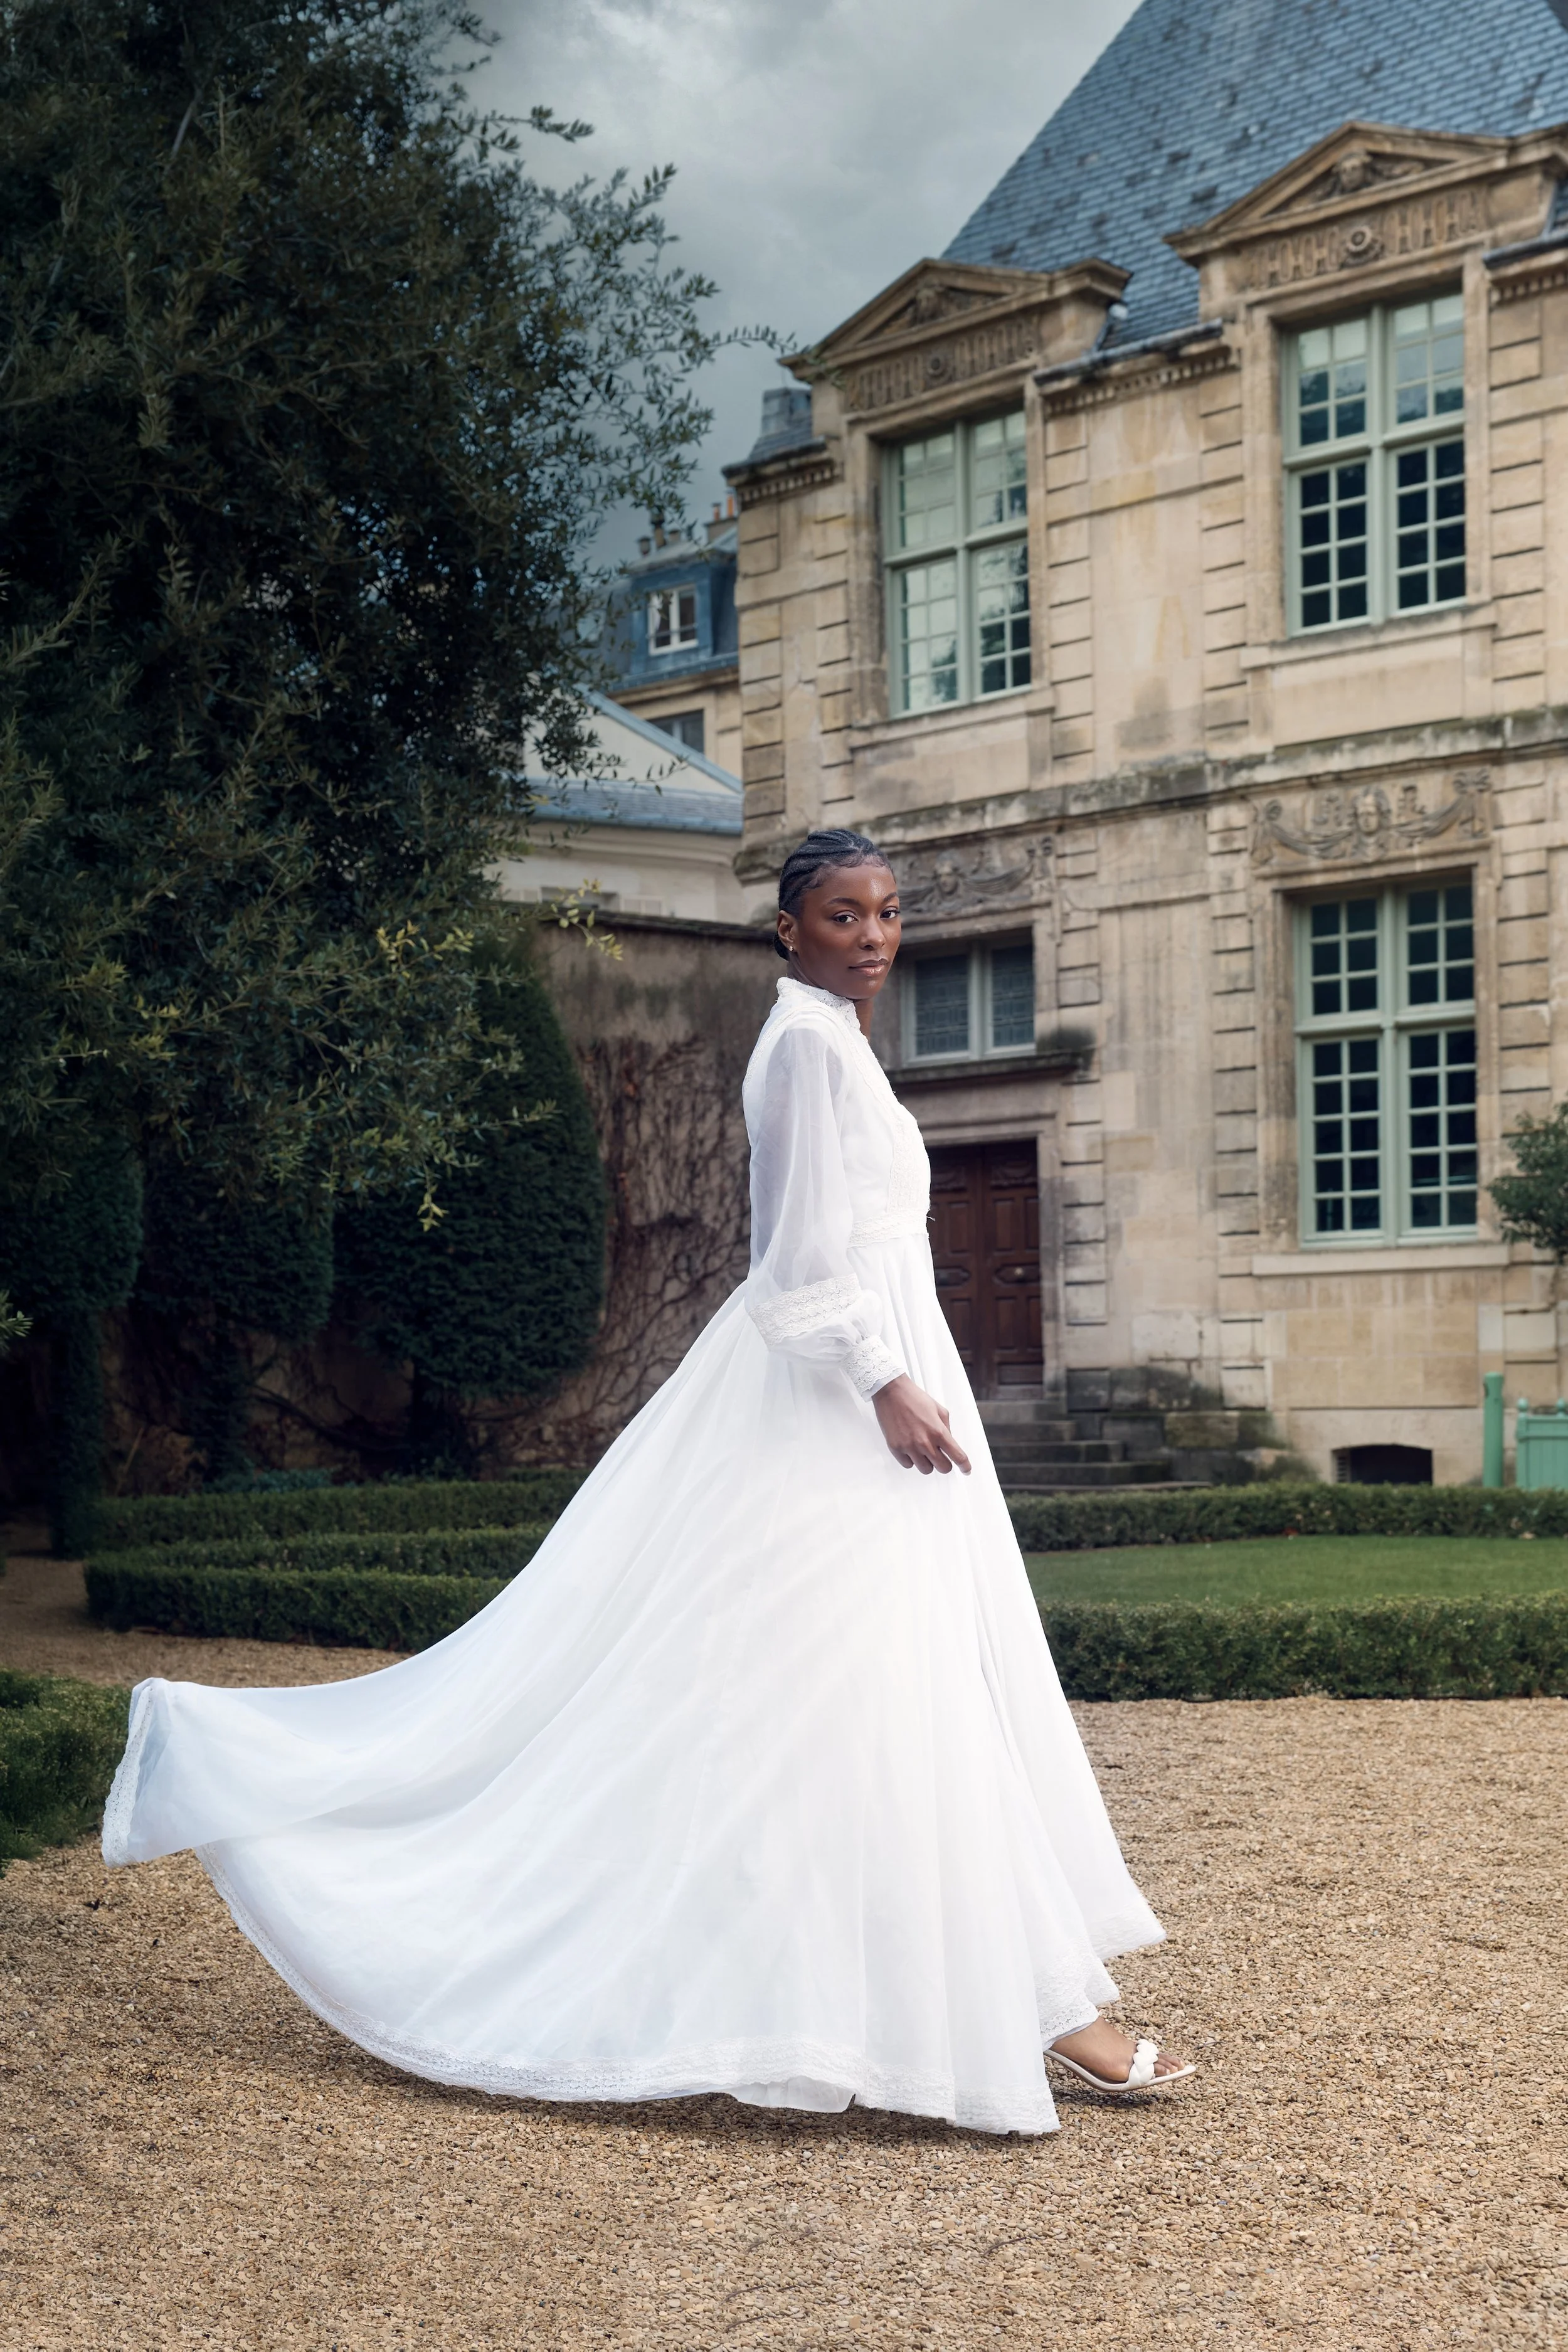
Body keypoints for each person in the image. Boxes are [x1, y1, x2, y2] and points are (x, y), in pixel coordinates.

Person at [103, 827, 1192, 2134]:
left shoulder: (837, 1043)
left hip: (871, 1401)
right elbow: (796, 1266)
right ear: (786, 931)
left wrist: (898, 1375)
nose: (873, 936)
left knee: (882, 1693)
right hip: (839, 1412)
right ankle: (1025, 2015)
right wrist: (884, 1382)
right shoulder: (796, 1045)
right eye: (842, 916)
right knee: (880, 1689)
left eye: (886, 913)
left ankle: (967, 2004)